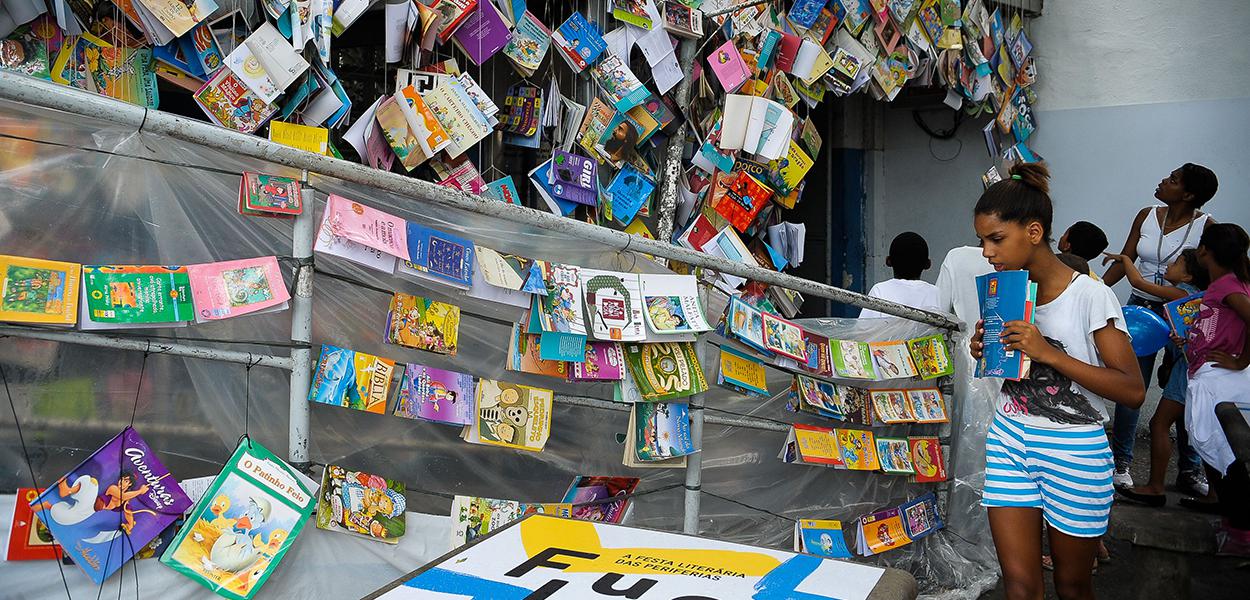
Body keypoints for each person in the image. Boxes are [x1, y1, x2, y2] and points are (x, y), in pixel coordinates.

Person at [971, 163, 1145, 600]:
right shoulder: (1007, 293)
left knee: (1072, 584)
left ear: (1033, 232)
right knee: (1020, 584)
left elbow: (1132, 389)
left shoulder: (1089, 294)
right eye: (982, 241)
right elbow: (1012, 372)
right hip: (1009, 438)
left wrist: (1047, 352)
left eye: (996, 239)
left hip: (1075, 450)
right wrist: (989, 349)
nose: (987, 252)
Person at [1101, 163, 1219, 489]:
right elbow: (1123, 262)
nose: (1163, 181)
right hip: (1140, 309)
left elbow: (1212, 275)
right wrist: (1093, 287)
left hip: (1182, 312)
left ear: (1189, 194)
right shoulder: (1146, 215)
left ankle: (1189, 470)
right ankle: (1121, 463)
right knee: (1130, 387)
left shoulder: (1206, 227)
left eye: (1173, 180)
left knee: (1182, 390)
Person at [1105, 249, 1211, 506]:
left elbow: (1139, 283)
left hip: (1188, 370)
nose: (1169, 265)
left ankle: (1155, 487)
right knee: (1194, 423)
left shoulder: (1183, 293)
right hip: (1191, 367)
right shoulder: (1197, 296)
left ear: (1187, 273)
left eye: (1176, 262)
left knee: (1160, 424)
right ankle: (1198, 480)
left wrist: (1126, 260)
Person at [1179, 223, 1250, 555]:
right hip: (1210, 374)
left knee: (1224, 453)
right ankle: (1232, 524)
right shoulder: (1227, 284)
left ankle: (1240, 531)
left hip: (1221, 380)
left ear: (1205, 250)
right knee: (1217, 449)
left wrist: (1241, 360)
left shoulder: (1228, 286)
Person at [859, 232, 939, 318]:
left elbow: (864, 328)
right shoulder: (935, 293)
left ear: (888, 261)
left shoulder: (880, 290)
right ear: (928, 264)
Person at [936, 245, 995, 330]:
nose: (986, 254)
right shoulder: (1016, 263)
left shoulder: (956, 257)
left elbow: (939, 313)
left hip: (968, 339)